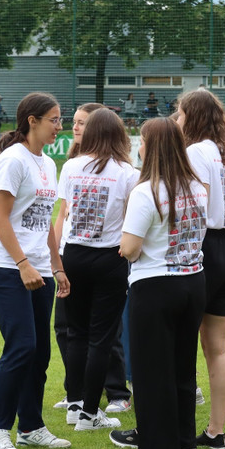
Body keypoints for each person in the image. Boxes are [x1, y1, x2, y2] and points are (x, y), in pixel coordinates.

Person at [0, 92, 72, 449]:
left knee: (40, 351)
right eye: (54, 119)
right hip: (7, 267)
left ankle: (31, 427)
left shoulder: (47, 163)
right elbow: (0, 219)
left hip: (39, 268)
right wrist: (22, 263)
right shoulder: (12, 160)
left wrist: (56, 266)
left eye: (60, 119)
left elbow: (45, 220)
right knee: (21, 346)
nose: (59, 126)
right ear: (32, 120)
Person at [112, 117, 208, 449]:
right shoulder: (197, 187)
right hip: (192, 281)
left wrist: (128, 247)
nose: (138, 146)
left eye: (141, 141)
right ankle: (184, 443)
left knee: (152, 369)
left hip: (155, 284)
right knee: (182, 365)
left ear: (151, 147)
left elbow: (129, 247)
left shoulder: (147, 191)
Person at [58, 108, 138, 432]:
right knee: (101, 337)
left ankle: (75, 404)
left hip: (74, 253)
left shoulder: (71, 166)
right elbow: (132, 217)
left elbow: (66, 211)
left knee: (76, 333)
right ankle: (89, 413)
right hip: (109, 257)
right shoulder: (127, 172)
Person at [177, 90, 225, 449]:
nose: (177, 119)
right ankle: (215, 431)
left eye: (180, 113)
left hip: (203, 247)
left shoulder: (195, 153)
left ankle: (176, 429)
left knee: (181, 340)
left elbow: (197, 206)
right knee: (217, 347)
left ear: (192, 117)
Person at [50, 103, 106, 415]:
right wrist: (56, 254)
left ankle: (114, 391)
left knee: (101, 330)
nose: (74, 127)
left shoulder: (118, 168)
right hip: (70, 252)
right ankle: (76, 392)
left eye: (82, 123)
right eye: (74, 122)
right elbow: (63, 213)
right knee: (66, 326)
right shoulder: (72, 165)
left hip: (99, 253)